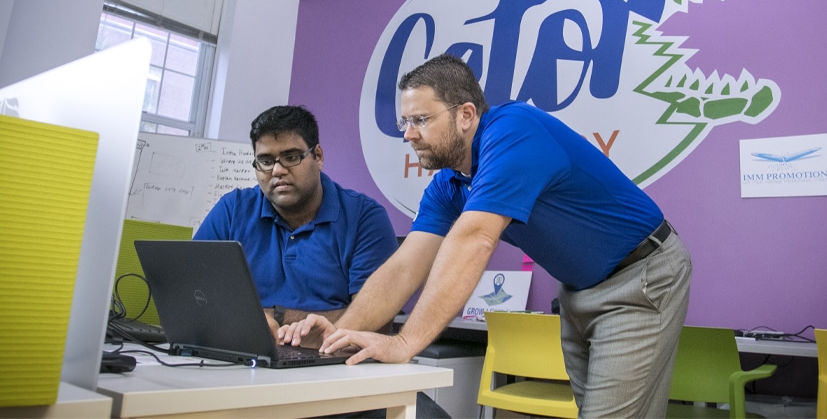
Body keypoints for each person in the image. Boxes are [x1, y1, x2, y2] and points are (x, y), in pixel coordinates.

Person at [280, 54, 693, 417]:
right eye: (404, 122)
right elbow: (406, 265)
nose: (408, 134)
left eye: (421, 120)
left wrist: (406, 342)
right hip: (579, 289)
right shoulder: (449, 185)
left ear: (465, 115)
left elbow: (475, 238)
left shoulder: (514, 130)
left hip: (641, 275)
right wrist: (334, 343)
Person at [193, 104, 399, 339]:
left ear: (318, 157)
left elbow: (377, 323)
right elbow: (192, 298)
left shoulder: (365, 218)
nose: (278, 170)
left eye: (291, 157)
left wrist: (277, 317)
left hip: (330, 365)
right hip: (242, 356)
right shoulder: (232, 210)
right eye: (266, 161)